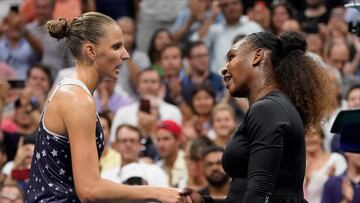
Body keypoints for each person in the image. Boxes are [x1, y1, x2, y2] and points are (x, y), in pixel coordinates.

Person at [24, 12, 189, 203]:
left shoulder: (71, 91)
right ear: (91, 51)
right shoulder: (78, 100)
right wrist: (158, 192)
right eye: (116, 46)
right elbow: (89, 190)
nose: (126, 55)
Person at [182, 31, 335, 203]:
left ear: (257, 56)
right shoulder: (273, 107)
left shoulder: (266, 109)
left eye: (231, 57)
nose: (224, 68)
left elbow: (259, 193)